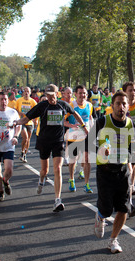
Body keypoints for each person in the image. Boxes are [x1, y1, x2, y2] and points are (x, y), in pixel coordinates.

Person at [14, 84, 87, 212]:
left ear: (57, 94)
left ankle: (57, 200)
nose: (49, 98)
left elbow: (75, 114)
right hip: (44, 141)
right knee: (44, 170)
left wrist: (84, 128)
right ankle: (41, 179)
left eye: (52, 95)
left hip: (58, 141)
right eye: (47, 95)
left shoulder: (62, 105)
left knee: (57, 169)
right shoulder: (42, 106)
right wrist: (16, 122)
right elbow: (26, 118)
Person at [93, 90, 135, 253]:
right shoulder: (102, 122)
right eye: (118, 103)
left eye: (124, 104)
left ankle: (113, 240)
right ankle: (101, 216)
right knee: (107, 209)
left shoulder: (132, 125)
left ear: (128, 106)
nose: (121, 107)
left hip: (122, 171)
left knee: (124, 208)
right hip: (105, 171)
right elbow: (87, 143)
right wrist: (100, 149)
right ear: (112, 105)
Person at [65, 85, 94, 193]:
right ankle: (71, 179)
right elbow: (62, 120)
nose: (82, 95)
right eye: (80, 93)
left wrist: (91, 128)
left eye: (84, 93)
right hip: (74, 137)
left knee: (87, 160)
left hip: (86, 136)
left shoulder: (89, 105)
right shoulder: (71, 105)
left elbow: (90, 117)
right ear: (75, 94)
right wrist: (71, 125)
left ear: (87, 95)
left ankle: (87, 184)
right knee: (73, 160)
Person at [15, 87, 38, 163]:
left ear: (30, 92)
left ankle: (24, 154)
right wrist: (19, 113)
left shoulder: (33, 101)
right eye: (25, 91)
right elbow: (15, 109)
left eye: (28, 91)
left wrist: (36, 120)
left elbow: (37, 111)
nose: (26, 92)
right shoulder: (19, 100)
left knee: (28, 140)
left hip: (30, 122)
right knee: (25, 137)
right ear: (23, 92)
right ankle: (22, 151)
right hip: (22, 122)